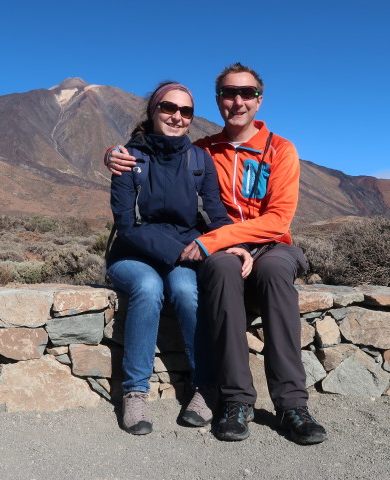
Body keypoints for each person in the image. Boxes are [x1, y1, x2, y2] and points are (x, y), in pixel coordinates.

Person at [105, 63, 328, 445]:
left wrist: (219, 242)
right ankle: (234, 401)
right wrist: (113, 153)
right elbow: (152, 156)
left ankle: (292, 405)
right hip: (221, 246)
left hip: (267, 243)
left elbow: (277, 219)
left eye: (247, 93)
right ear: (218, 100)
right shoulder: (204, 150)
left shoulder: (280, 150)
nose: (237, 101)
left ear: (260, 99)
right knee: (220, 272)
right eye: (228, 93)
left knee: (274, 274)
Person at [105, 81, 253, 435]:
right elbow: (127, 224)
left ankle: (205, 387)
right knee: (147, 285)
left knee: (187, 293)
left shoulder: (199, 160)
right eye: (168, 108)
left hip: (185, 253)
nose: (177, 116)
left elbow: (217, 214)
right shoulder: (129, 157)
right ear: (153, 111)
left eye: (186, 111)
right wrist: (178, 253)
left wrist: (233, 242)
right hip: (134, 254)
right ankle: (136, 392)